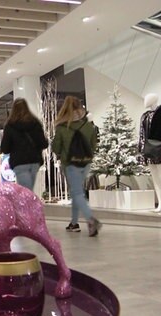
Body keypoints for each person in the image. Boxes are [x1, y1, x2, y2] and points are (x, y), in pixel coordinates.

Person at [51, 96, 102, 237]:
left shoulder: (62, 127)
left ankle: (91, 220)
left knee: (77, 193)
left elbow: (56, 147)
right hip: (86, 162)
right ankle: (74, 223)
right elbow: (93, 144)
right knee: (76, 192)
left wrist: (62, 152)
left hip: (71, 164)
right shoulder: (88, 124)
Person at [0, 98, 48, 191]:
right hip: (34, 161)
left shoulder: (10, 126)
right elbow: (43, 143)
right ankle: (30, 205)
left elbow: (5, 148)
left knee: (26, 192)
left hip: (19, 162)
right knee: (29, 190)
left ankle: (28, 205)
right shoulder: (35, 123)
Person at [138, 93, 161, 213]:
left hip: (159, 146)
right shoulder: (144, 116)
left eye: (148, 98)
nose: (145, 101)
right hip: (149, 147)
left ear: (154, 100)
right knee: (154, 175)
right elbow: (141, 134)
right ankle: (160, 202)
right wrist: (141, 149)